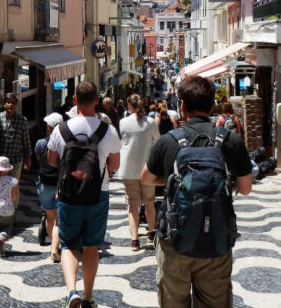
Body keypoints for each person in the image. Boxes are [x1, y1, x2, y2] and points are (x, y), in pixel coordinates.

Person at [140, 75, 253, 308]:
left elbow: (146, 179)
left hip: (174, 239)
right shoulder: (229, 140)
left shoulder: (169, 141)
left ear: (182, 106)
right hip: (216, 240)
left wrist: (173, 181)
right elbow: (245, 188)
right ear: (212, 107)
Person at [47, 81, 121, 308]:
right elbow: (115, 165)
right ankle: (88, 296)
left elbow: (51, 162)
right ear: (97, 101)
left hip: (69, 194)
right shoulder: (107, 130)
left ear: (75, 101)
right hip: (98, 193)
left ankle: (72, 292)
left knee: (68, 245)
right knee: (91, 246)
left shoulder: (61, 129)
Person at [117, 94, 160, 250]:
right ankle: (151, 233)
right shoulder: (150, 123)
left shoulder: (123, 123)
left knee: (133, 205)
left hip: (128, 168)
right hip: (147, 169)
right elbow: (158, 142)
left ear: (129, 105)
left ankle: (134, 240)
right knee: (149, 202)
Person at [37, 112, 65, 263]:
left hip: (44, 184)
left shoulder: (41, 143)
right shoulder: (64, 142)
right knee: (58, 220)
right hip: (58, 185)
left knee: (49, 216)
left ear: (49, 127)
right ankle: (55, 248)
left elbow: (38, 160)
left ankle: (52, 248)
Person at [0, 92, 31, 186]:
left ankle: (13, 201)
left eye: (13, 102)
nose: (10, 104)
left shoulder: (22, 120)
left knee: (13, 186)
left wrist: (28, 158)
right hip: (0, 160)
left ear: (16, 105)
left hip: (16, 160)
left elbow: (26, 141)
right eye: (8, 102)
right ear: (4, 104)